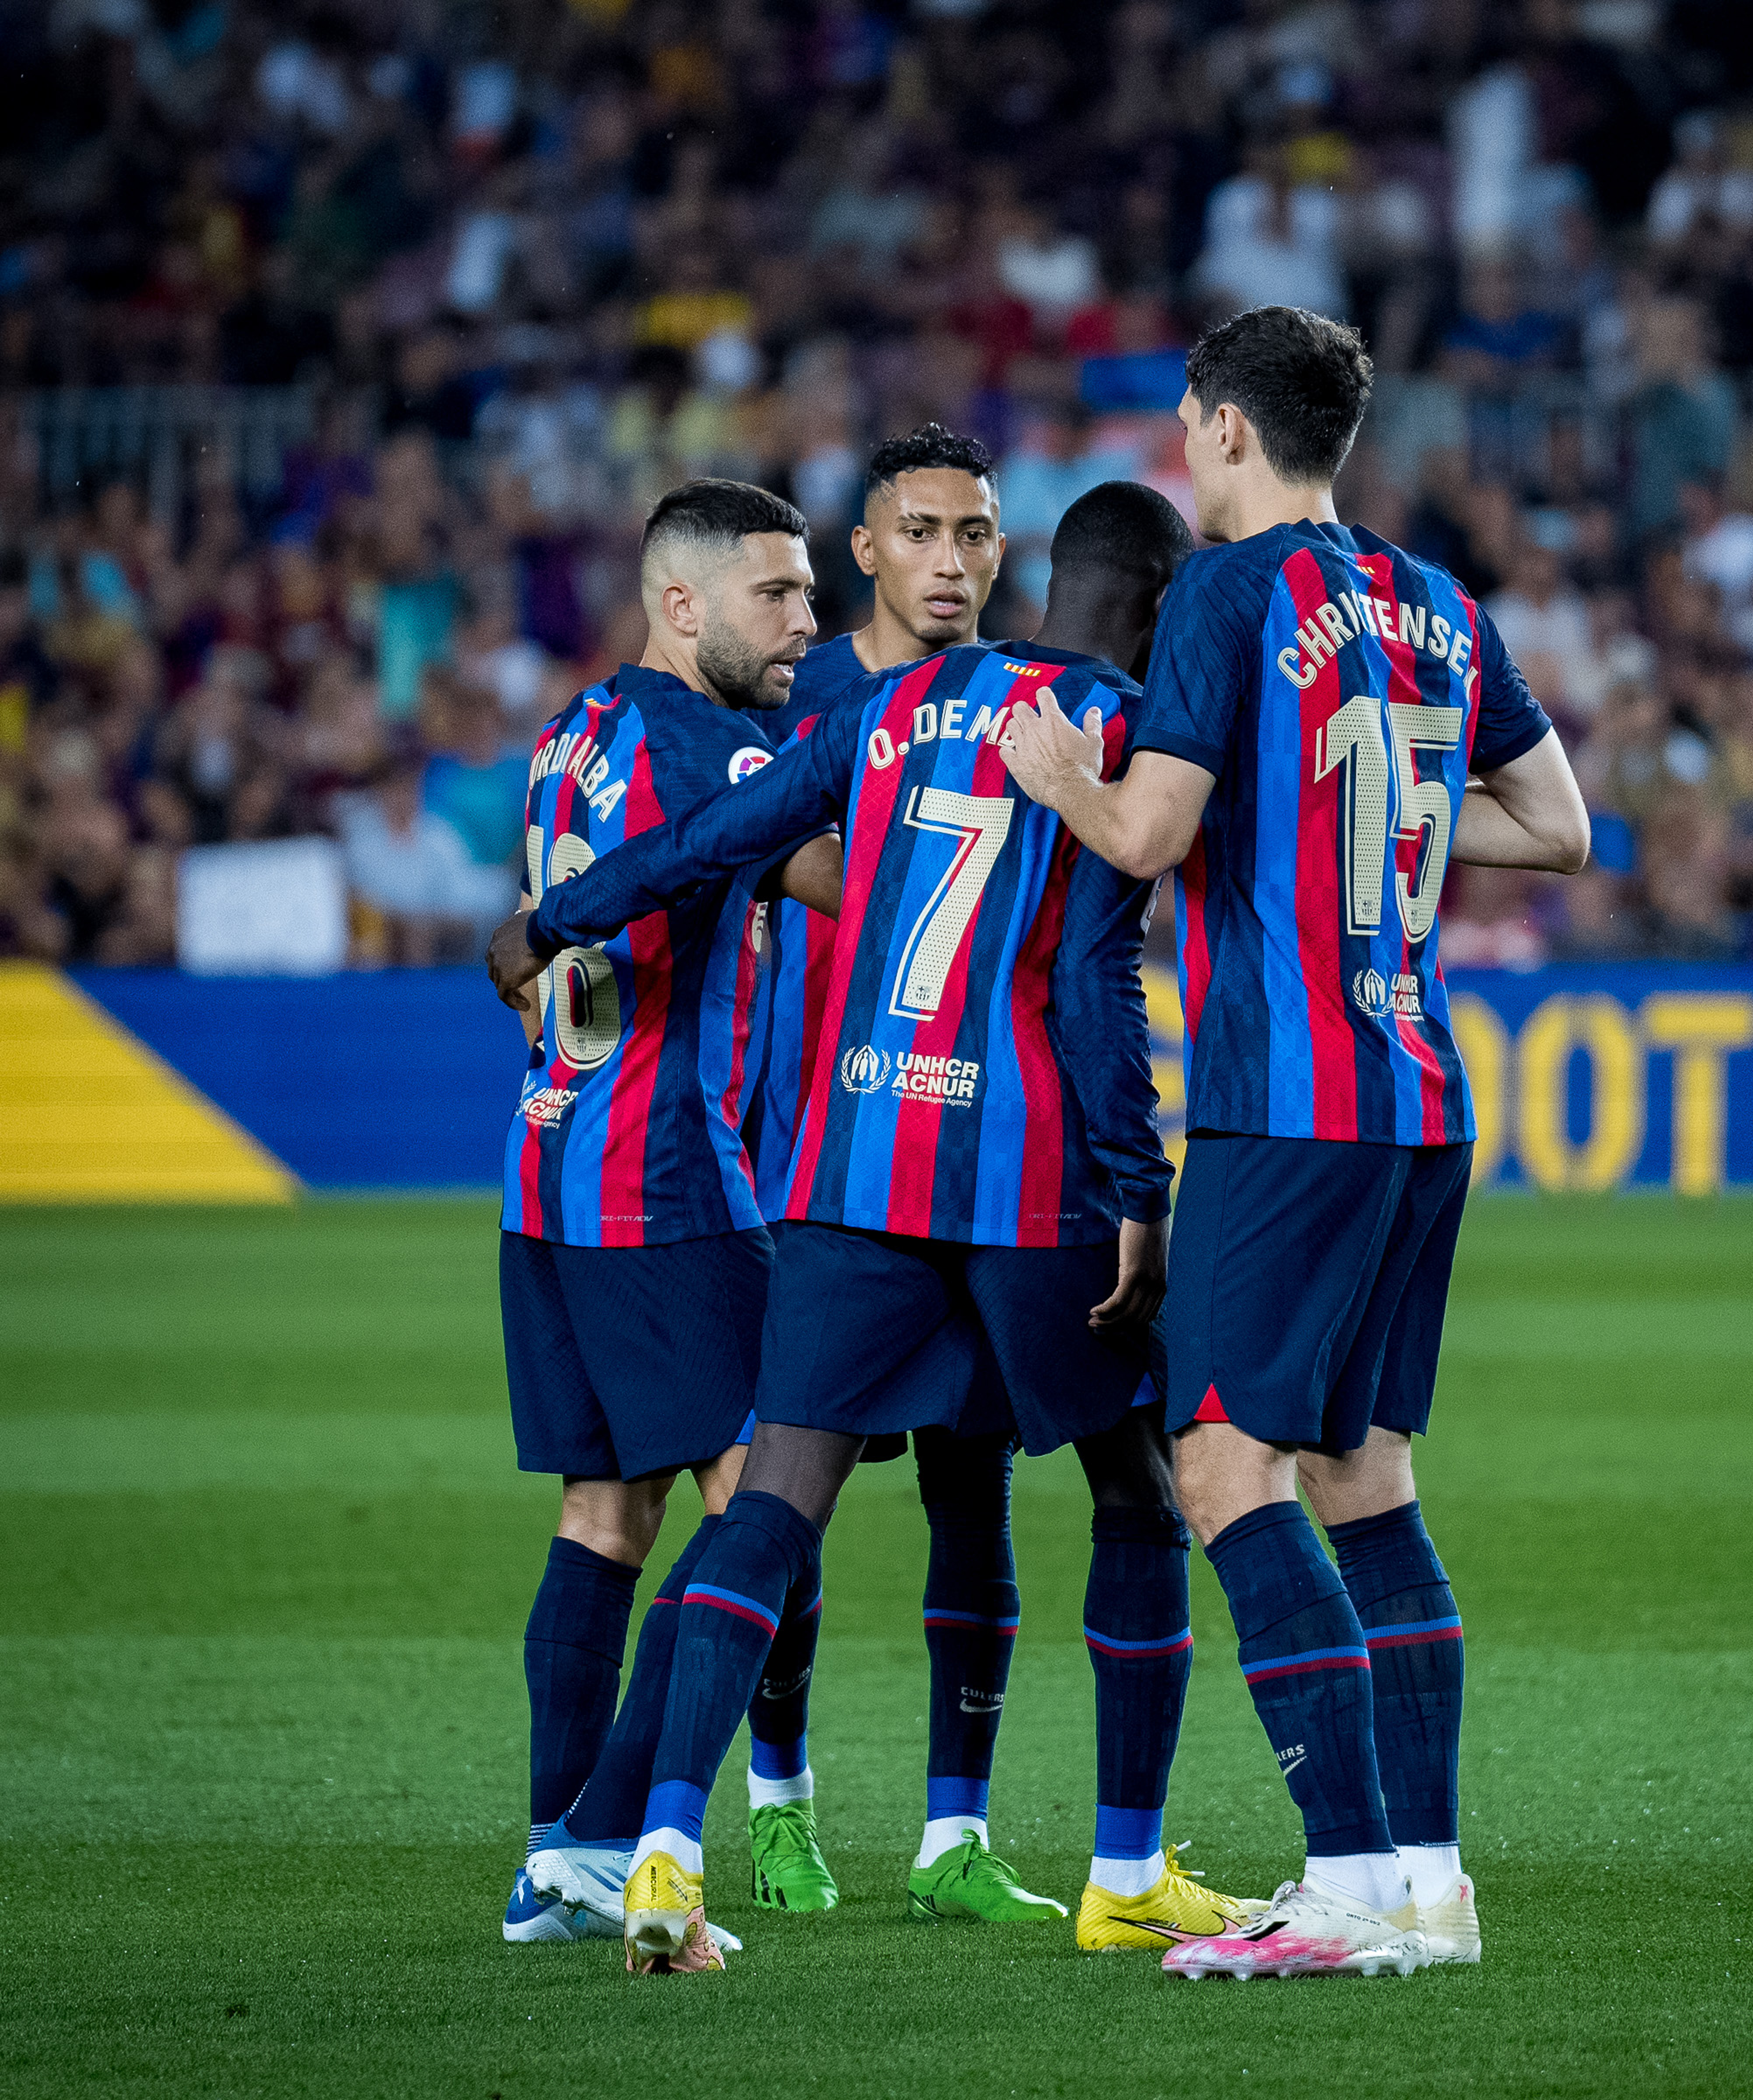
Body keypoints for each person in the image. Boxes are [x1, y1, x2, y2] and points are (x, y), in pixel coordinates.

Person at [491, 482, 1258, 1974]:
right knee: (1134, 1496)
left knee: (768, 1500)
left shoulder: (899, 705)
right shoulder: (1107, 735)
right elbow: (1098, 984)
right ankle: (1123, 1866)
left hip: (848, 1171)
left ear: (1023, 567)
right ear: (1163, 611)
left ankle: (655, 1845)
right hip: (1019, 1179)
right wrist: (1136, 1191)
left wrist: (558, 917)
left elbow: (717, 835)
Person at [1003, 306, 1590, 1980]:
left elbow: (1148, 827)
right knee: (1366, 1474)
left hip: (1287, 1099)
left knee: (1218, 1464)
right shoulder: (1438, 603)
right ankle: (1425, 1882)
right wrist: (1382, 815)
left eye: (1191, 422)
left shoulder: (1220, 592)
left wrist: (1058, 773)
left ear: (1225, 431)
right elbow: (1558, 827)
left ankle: (1335, 1883)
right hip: (1419, 1095)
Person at [495, 478, 848, 1943]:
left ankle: (552, 1859)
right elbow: (839, 877)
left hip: (543, 1166)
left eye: (810, 591)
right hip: (669, 1177)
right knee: (763, 1506)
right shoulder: (718, 745)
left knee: (604, 1512)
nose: (805, 619)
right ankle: (614, 1831)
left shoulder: (568, 731)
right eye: (775, 594)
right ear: (681, 602)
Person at [746, 424, 1063, 1921]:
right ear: (862, 550)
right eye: (921, 531)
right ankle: (776, 1799)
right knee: (776, 1494)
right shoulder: (806, 696)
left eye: (977, 532)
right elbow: (734, 847)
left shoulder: (1033, 703)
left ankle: (954, 1837)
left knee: (971, 1489)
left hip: (972, 1160)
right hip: (807, 1153)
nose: (952, 558)